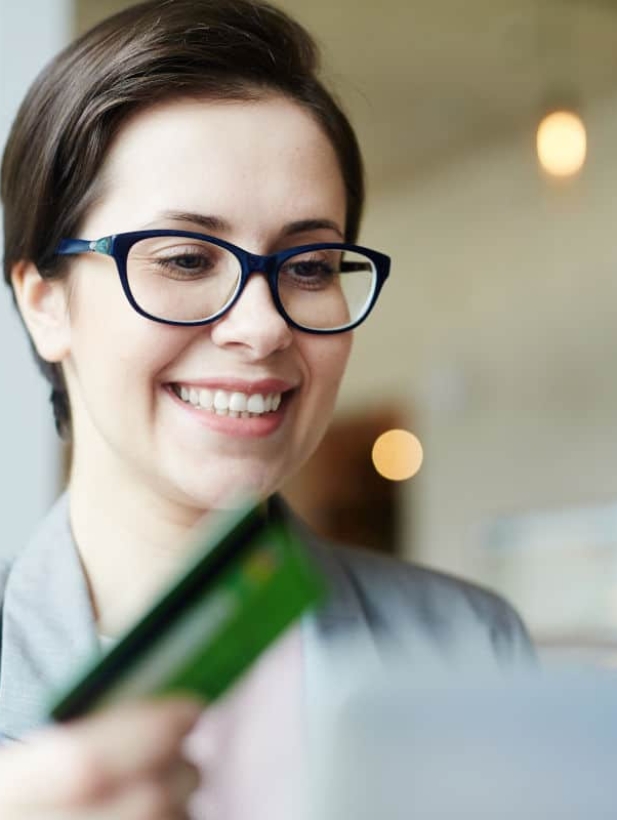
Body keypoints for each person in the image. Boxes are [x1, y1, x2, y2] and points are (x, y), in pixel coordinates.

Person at [0, 0, 534, 816]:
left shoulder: (469, 647)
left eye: (311, 266)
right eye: (184, 257)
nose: (262, 325)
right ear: (45, 303)